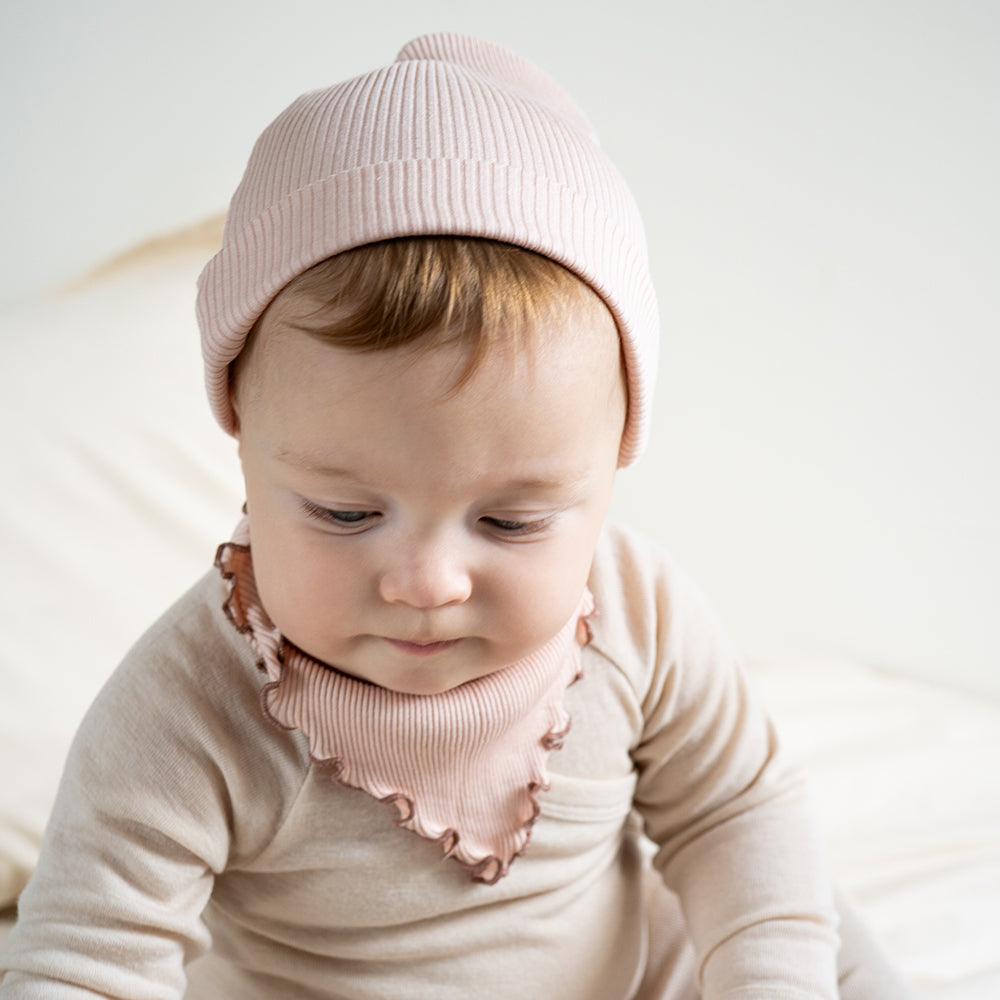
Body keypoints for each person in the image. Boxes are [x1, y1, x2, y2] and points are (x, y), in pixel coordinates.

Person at [0, 33, 914, 999]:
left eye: (512, 523)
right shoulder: (188, 708)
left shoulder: (636, 612)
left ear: (611, 464)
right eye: (346, 512)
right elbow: (87, 962)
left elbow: (734, 809)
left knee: (810, 926)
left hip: (638, 977)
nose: (427, 584)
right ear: (241, 443)